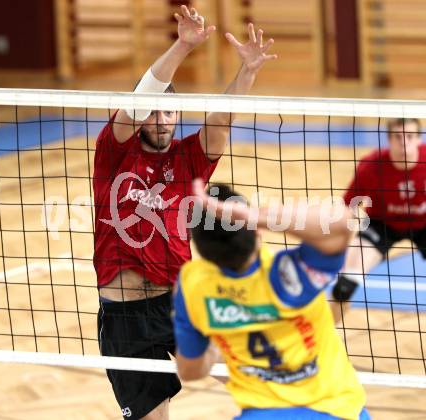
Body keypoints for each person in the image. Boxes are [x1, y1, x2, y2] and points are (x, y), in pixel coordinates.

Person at [93, 4, 277, 419]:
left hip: (181, 302)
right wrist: (183, 45)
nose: (162, 120)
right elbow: (140, 99)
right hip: (125, 318)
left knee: (251, 378)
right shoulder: (113, 152)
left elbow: (222, 121)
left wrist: (247, 72)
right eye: (154, 111)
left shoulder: (189, 157)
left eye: (169, 111)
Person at [174, 179, 370, 420]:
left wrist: (215, 347)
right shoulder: (288, 274)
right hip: (336, 409)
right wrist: (255, 215)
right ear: (255, 230)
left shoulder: (192, 286)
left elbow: (190, 370)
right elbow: (343, 221)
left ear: (200, 247)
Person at [331, 118, 426, 323]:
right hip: (382, 225)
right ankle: (324, 339)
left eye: (409, 136)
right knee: (344, 286)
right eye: (397, 137)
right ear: (388, 140)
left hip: (423, 224)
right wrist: (340, 239)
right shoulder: (372, 166)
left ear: (419, 139)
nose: (403, 143)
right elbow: (347, 206)